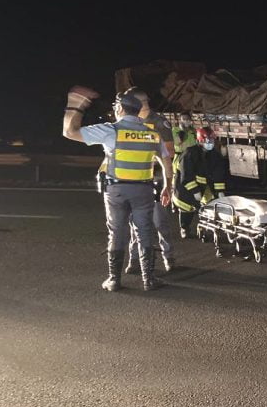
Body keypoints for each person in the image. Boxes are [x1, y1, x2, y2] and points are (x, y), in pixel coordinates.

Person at [62, 86, 171, 291]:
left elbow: (70, 132)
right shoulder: (153, 134)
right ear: (138, 111)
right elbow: (166, 160)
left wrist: (76, 105)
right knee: (145, 231)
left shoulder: (111, 130)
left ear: (120, 108)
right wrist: (168, 186)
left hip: (117, 191)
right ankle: (149, 280)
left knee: (118, 233)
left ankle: (114, 280)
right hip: (144, 191)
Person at [124, 88, 177, 274]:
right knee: (135, 223)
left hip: (155, 179)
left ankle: (168, 257)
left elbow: (169, 152)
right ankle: (135, 259)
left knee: (160, 222)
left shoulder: (159, 122)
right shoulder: (130, 122)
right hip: (134, 179)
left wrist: (147, 153)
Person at [172, 127, 227, 246]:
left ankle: (207, 227)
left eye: (212, 141)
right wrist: (195, 191)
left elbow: (218, 176)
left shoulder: (215, 155)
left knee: (209, 206)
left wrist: (220, 192)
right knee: (187, 207)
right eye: (207, 141)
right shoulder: (190, 153)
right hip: (185, 186)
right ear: (200, 141)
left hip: (203, 185)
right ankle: (185, 228)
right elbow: (186, 176)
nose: (210, 144)